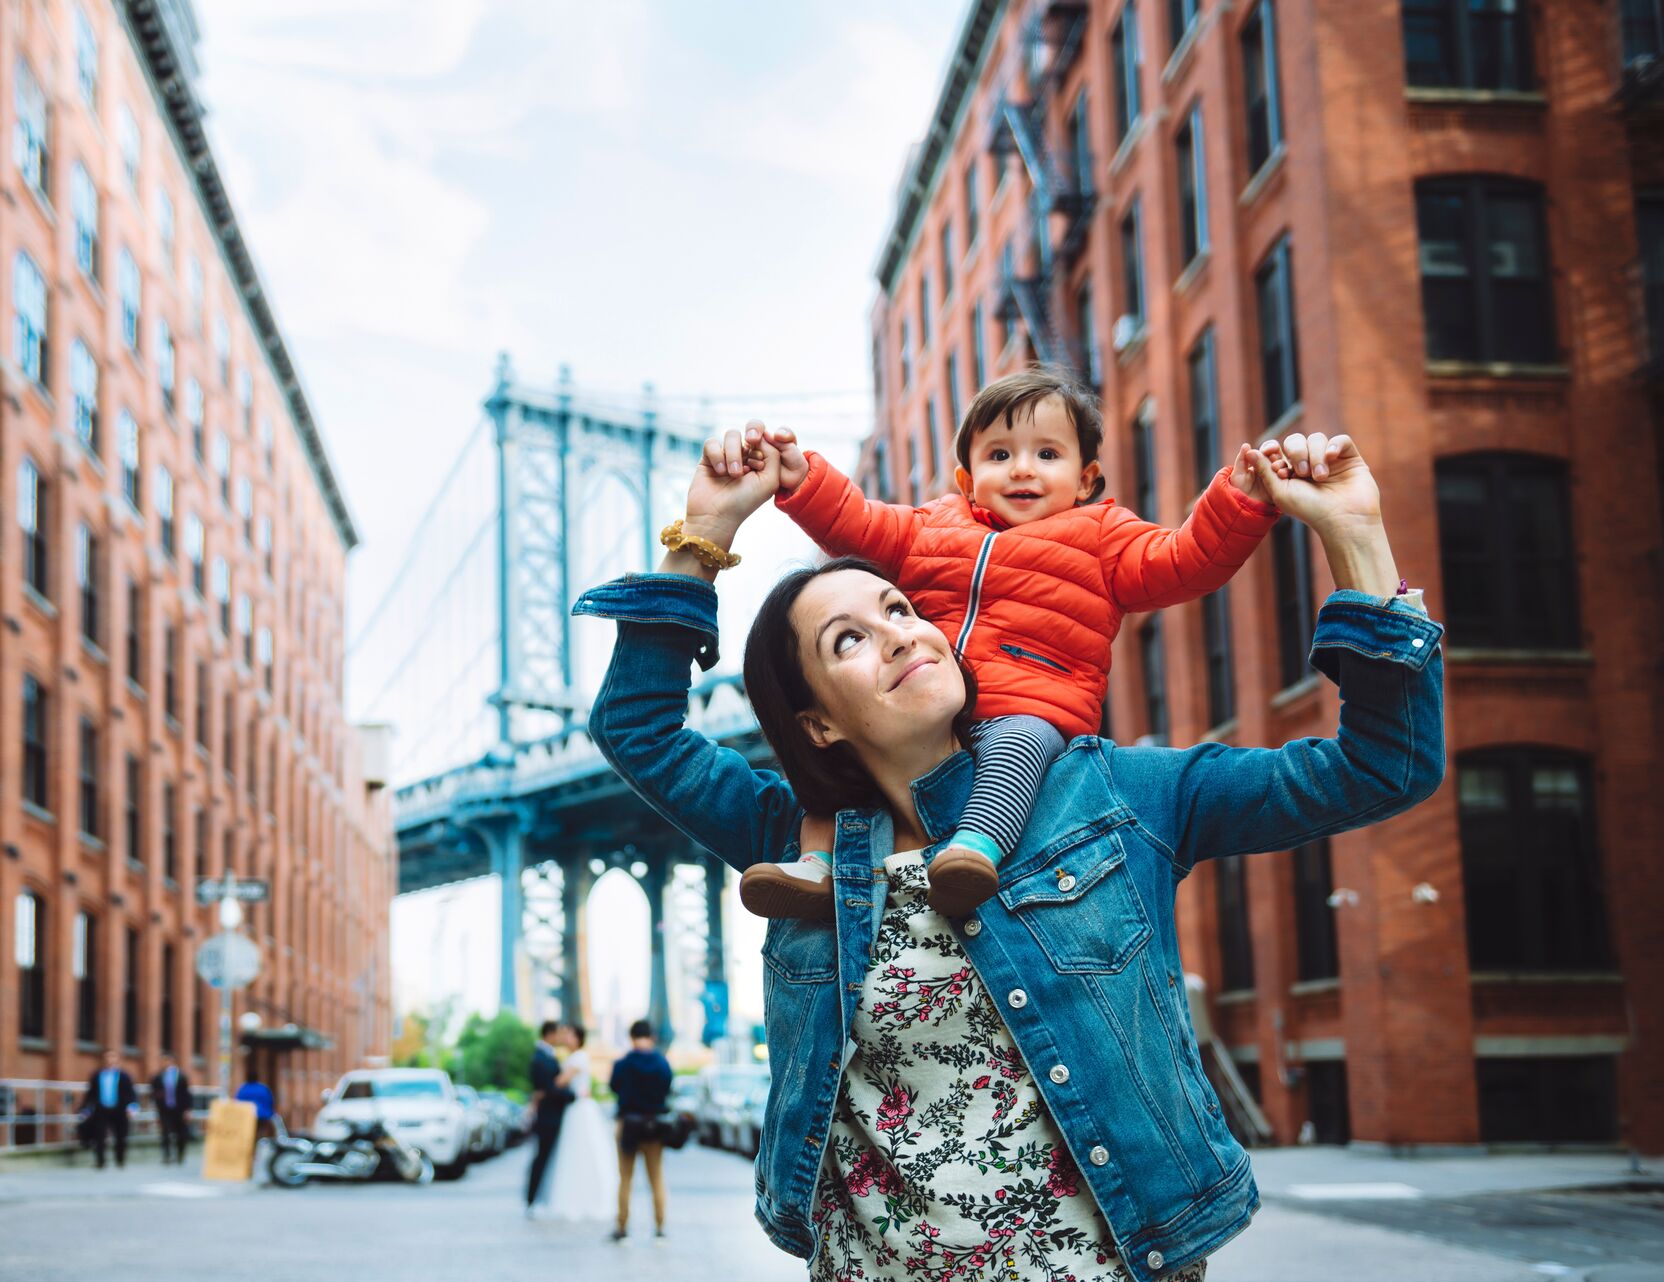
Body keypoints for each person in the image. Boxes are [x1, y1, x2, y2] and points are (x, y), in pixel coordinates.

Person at [571, 426, 1444, 1282]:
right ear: (818, 722)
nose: (900, 636)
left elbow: (1382, 767)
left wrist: (1356, 537)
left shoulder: (1111, 798)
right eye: (848, 641)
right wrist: (706, 533)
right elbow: (637, 729)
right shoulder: (793, 848)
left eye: (900, 610)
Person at [741, 368, 1280, 920]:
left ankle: (974, 850)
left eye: (1048, 454)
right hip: (934, 705)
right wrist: (804, 481)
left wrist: (1237, 502)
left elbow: (1183, 561)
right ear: (967, 479)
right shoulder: (932, 525)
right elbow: (858, 523)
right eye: (999, 455)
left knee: (1015, 748)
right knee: (845, 775)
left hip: (1032, 705)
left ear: (1086, 477)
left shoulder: (1103, 536)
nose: (1022, 468)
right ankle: (815, 867)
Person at [530, 1022, 618, 1224]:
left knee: (579, 1153)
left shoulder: (578, 1058)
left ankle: (581, 1198)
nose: (564, 1038)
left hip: (579, 1109)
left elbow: (558, 1083)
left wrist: (541, 1091)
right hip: (573, 1109)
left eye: (568, 1034)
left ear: (577, 1038)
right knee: (573, 1154)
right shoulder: (570, 1058)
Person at [609, 1019, 675, 1242]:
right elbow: (667, 1086)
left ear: (631, 1037)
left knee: (625, 1178)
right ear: (652, 1037)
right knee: (656, 1177)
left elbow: (614, 1086)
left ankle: (622, 1225)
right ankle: (660, 1226)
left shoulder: (623, 1063)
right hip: (654, 1126)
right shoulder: (661, 1063)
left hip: (628, 1125)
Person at [525, 1020, 575, 1213]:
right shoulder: (540, 1058)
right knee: (542, 1158)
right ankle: (533, 1200)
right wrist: (572, 1096)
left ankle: (538, 1199)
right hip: (548, 1117)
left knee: (547, 1158)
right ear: (550, 1034)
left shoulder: (547, 1056)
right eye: (559, 1034)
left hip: (552, 1115)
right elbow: (548, 1088)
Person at [83, 1050, 138, 1170]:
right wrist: (86, 1109)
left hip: (119, 1110)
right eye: (107, 1057)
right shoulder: (97, 1075)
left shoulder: (124, 1076)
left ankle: (120, 1160)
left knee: (120, 1136)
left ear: (117, 1060)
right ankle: (100, 1161)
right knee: (99, 1136)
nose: (109, 1060)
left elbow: (131, 1093)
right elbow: (90, 1094)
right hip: (101, 1110)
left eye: (112, 1057)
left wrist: (132, 1107)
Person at [151, 1054, 193, 1165]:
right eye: (163, 1061)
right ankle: (167, 1156)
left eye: (167, 1061)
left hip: (179, 1109)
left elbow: (186, 1094)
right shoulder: (158, 1077)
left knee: (181, 1133)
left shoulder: (181, 1076)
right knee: (165, 1133)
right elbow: (154, 1093)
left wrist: (187, 1110)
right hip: (164, 1109)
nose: (165, 1064)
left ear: (172, 1062)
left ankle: (180, 1154)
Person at [234, 1070, 275, 1140]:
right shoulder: (263, 1089)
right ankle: (261, 1142)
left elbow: (237, 1104)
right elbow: (270, 1102)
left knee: (249, 1133)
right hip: (262, 1116)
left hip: (248, 1116)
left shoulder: (243, 1089)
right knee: (260, 1132)